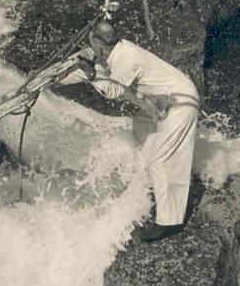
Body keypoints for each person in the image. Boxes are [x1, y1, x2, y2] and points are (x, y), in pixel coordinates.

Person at [63, 18, 200, 242]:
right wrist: (54, 80)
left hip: (180, 102)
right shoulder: (115, 49)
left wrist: (89, 74)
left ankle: (170, 222)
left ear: (99, 44)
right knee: (142, 130)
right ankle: (157, 187)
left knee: (161, 159)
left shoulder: (126, 58)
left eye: (92, 44)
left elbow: (113, 91)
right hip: (160, 100)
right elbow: (93, 68)